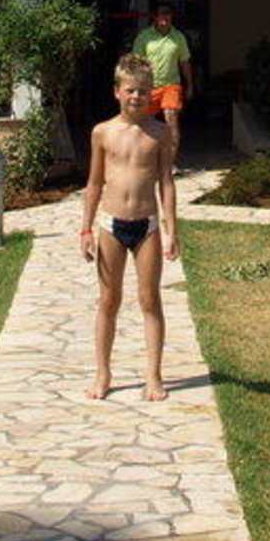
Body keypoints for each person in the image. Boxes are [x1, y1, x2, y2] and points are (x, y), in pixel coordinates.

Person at [79, 57, 179, 402]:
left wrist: (171, 229)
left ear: (152, 94)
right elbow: (94, 183)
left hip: (147, 225)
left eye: (143, 91)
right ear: (117, 92)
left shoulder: (160, 133)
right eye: (131, 90)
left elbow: (166, 183)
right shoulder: (103, 132)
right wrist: (85, 229)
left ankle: (153, 375)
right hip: (111, 225)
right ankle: (103, 373)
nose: (137, 96)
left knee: (150, 300)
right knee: (109, 300)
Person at [131, 2, 193, 153]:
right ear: (155, 17)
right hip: (149, 86)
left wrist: (190, 84)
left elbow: (184, 62)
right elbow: (136, 62)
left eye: (167, 13)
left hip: (171, 85)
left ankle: (170, 161)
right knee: (145, 123)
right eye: (160, 13)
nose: (164, 17)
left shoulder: (178, 37)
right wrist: (135, 86)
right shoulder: (144, 36)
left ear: (172, 16)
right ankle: (148, 158)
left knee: (171, 116)